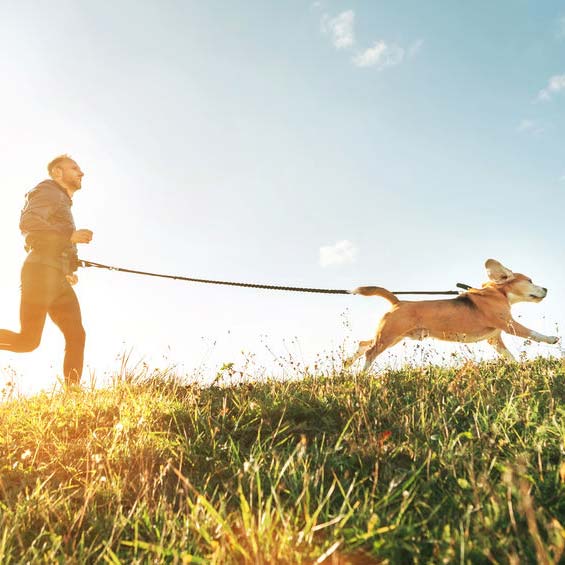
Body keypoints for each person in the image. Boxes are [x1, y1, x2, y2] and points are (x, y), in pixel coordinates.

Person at [0, 155, 93, 388]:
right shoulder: (48, 190)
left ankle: (72, 393)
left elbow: (53, 241)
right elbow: (29, 222)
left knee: (74, 335)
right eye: (75, 168)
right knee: (29, 340)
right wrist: (68, 236)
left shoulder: (62, 201)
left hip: (56, 277)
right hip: (40, 272)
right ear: (57, 172)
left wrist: (69, 268)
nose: (81, 172)